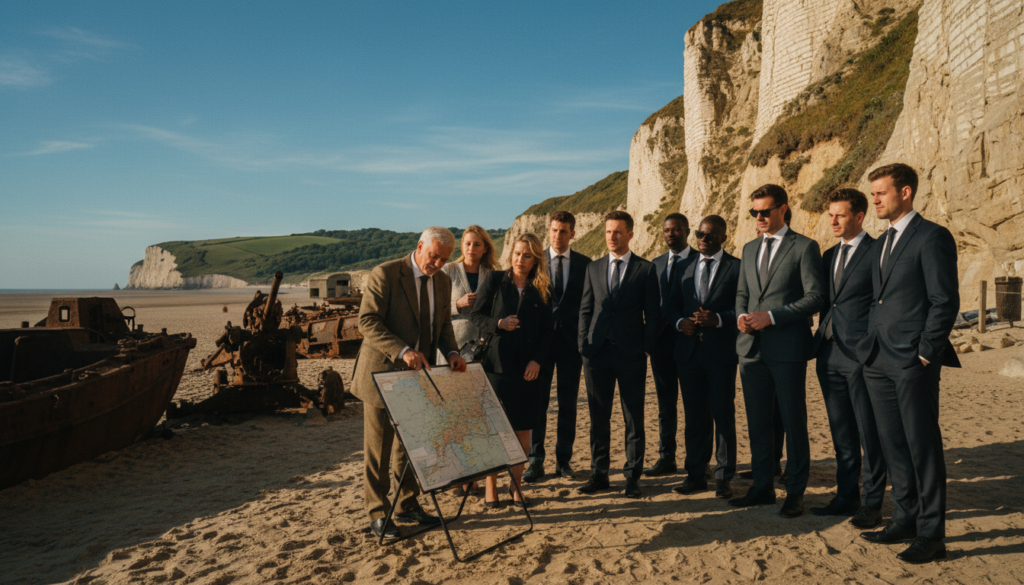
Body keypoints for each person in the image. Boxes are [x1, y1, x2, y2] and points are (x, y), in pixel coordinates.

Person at [856, 163, 960, 564]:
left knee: (922, 446)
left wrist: (925, 351)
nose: (876, 199)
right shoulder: (882, 242)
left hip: (912, 360)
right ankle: (904, 518)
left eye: (881, 192)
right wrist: (870, 342)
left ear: (906, 193)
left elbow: (944, 300)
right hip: (878, 358)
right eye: (874, 193)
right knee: (892, 444)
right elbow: (877, 300)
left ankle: (932, 535)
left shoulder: (932, 236)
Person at [352, 226, 468, 542]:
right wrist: (403, 352)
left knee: (411, 446)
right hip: (381, 374)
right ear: (419, 246)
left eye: (444, 260)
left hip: (420, 378)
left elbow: (443, 325)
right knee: (378, 450)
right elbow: (367, 322)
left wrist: (453, 353)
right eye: (433, 257)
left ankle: (406, 504)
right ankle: (378, 513)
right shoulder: (386, 274)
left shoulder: (443, 281)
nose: (437, 265)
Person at [731, 184, 826, 518]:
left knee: (792, 420)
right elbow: (742, 293)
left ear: (783, 209)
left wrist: (771, 317)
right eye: (754, 212)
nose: (759, 217)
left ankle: (795, 492)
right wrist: (742, 317)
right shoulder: (748, 248)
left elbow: (816, 297)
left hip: (787, 347)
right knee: (757, 423)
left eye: (765, 211)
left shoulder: (805, 247)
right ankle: (761, 487)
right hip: (750, 349)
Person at [809, 188, 888, 529]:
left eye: (840, 215)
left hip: (861, 355)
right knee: (841, 431)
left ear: (859, 216)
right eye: (830, 215)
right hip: (828, 354)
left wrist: (870, 345)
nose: (834, 221)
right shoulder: (827, 256)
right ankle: (846, 496)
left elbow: (881, 303)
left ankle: (872, 503)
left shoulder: (877, 252)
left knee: (870, 432)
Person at [577, 210, 660, 499]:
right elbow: (586, 309)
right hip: (596, 354)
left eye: (617, 232)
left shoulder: (646, 269)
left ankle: (632, 477)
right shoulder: (593, 268)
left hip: (631, 354)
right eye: (608, 231)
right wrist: (583, 346)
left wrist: (646, 348)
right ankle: (599, 473)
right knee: (598, 416)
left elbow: (653, 314)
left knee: (633, 417)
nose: (612, 236)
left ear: (630, 234)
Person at [470, 232, 553, 506]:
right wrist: (498, 324)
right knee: (495, 428)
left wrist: (537, 361)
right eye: (517, 253)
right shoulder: (494, 280)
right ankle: (491, 486)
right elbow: (476, 317)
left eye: (527, 255)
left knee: (523, 430)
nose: (520, 259)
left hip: (528, 369)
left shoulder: (542, 288)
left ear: (535, 259)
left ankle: (516, 485)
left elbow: (548, 332)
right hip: (495, 367)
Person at [666, 215, 740, 499]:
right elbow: (671, 305)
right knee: (695, 417)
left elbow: (744, 307)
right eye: (699, 233)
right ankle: (696, 475)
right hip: (688, 352)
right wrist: (678, 323)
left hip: (720, 353)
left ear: (723, 237)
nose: (703, 239)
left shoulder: (737, 267)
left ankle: (723, 477)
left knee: (723, 414)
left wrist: (719, 319)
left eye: (710, 235)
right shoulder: (684, 267)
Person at [523, 211, 591, 482]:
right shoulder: (535, 263)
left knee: (568, 404)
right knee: (538, 404)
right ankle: (535, 461)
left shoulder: (586, 264)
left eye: (563, 231)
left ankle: (564, 461)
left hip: (571, 345)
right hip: (540, 344)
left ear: (573, 233)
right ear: (548, 232)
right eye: (553, 230)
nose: (558, 235)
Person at [644, 213, 698, 477]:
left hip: (690, 342)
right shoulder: (655, 264)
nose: (671, 234)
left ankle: (697, 461)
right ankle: (667, 457)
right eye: (666, 230)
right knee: (665, 404)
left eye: (676, 229)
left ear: (687, 231)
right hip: (661, 344)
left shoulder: (701, 260)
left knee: (694, 404)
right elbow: (651, 307)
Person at [441, 225, 500, 357]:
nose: (471, 248)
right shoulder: (447, 271)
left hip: (483, 346)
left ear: (485, 248)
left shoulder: (492, 275)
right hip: (452, 346)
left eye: (477, 244)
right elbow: (433, 308)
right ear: (462, 246)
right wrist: (457, 304)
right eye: (467, 244)